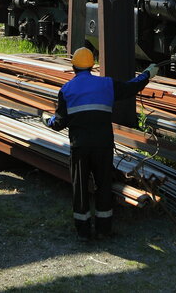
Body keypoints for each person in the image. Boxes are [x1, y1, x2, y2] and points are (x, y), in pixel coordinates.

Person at [44, 47, 158, 240]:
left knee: (79, 188)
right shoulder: (107, 84)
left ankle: (83, 232)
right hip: (103, 145)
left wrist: (47, 120)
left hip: (80, 146)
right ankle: (104, 229)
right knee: (104, 186)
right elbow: (131, 87)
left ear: (73, 67)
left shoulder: (66, 90)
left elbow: (59, 123)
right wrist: (148, 73)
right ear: (92, 66)